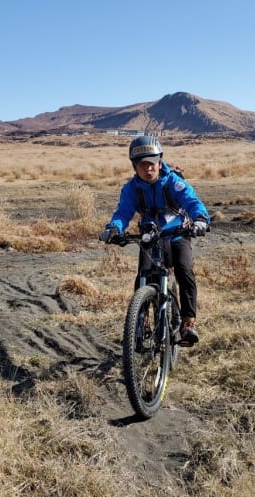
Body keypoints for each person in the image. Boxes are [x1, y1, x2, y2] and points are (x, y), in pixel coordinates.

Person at [99, 135, 210, 347]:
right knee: (143, 274)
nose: (148, 169)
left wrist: (201, 219)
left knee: (184, 270)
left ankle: (188, 323)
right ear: (135, 167)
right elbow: (123, 212)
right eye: (143, 165)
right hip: (150, 236)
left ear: (160, 162)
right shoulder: (131, 189)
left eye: (152, 164)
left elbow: (192, 201)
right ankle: (141, 322)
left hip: (177, 233)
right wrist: (114, 228)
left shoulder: (174, 183)